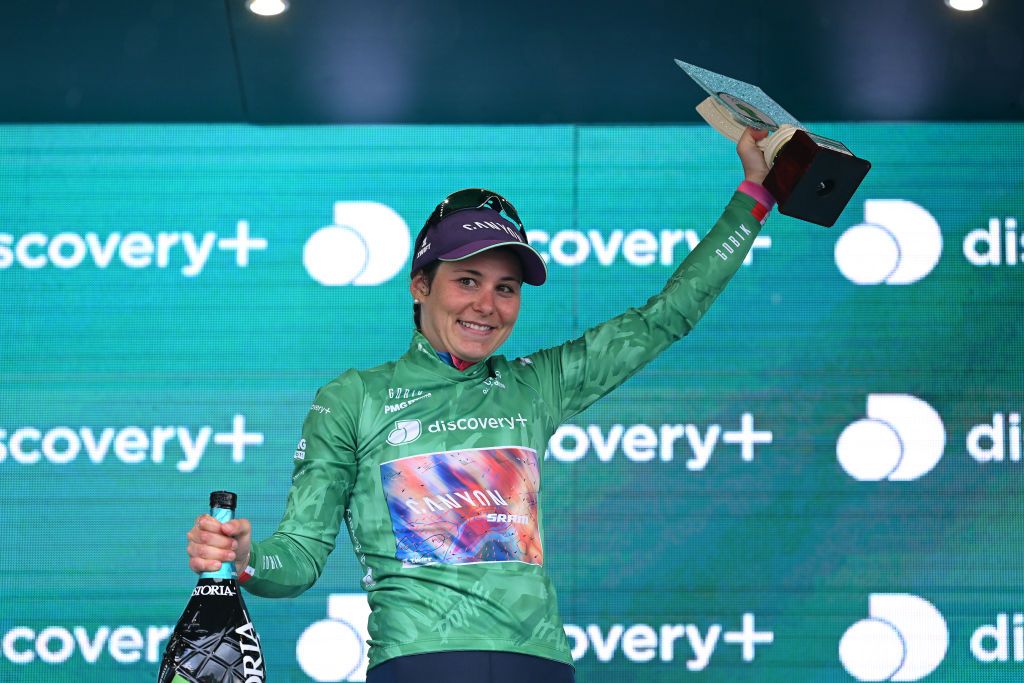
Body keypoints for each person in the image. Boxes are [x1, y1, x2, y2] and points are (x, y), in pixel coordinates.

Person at [186, 127, 775, 682]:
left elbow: (663, 318)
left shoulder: (535, 385)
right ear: (421, 285)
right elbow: (300, 557)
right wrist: (245, 558)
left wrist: (753, 198)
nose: (487, 305)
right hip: (417, 665)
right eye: (467, 280)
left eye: (506, 288)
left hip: (537, 664)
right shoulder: (354, 398)